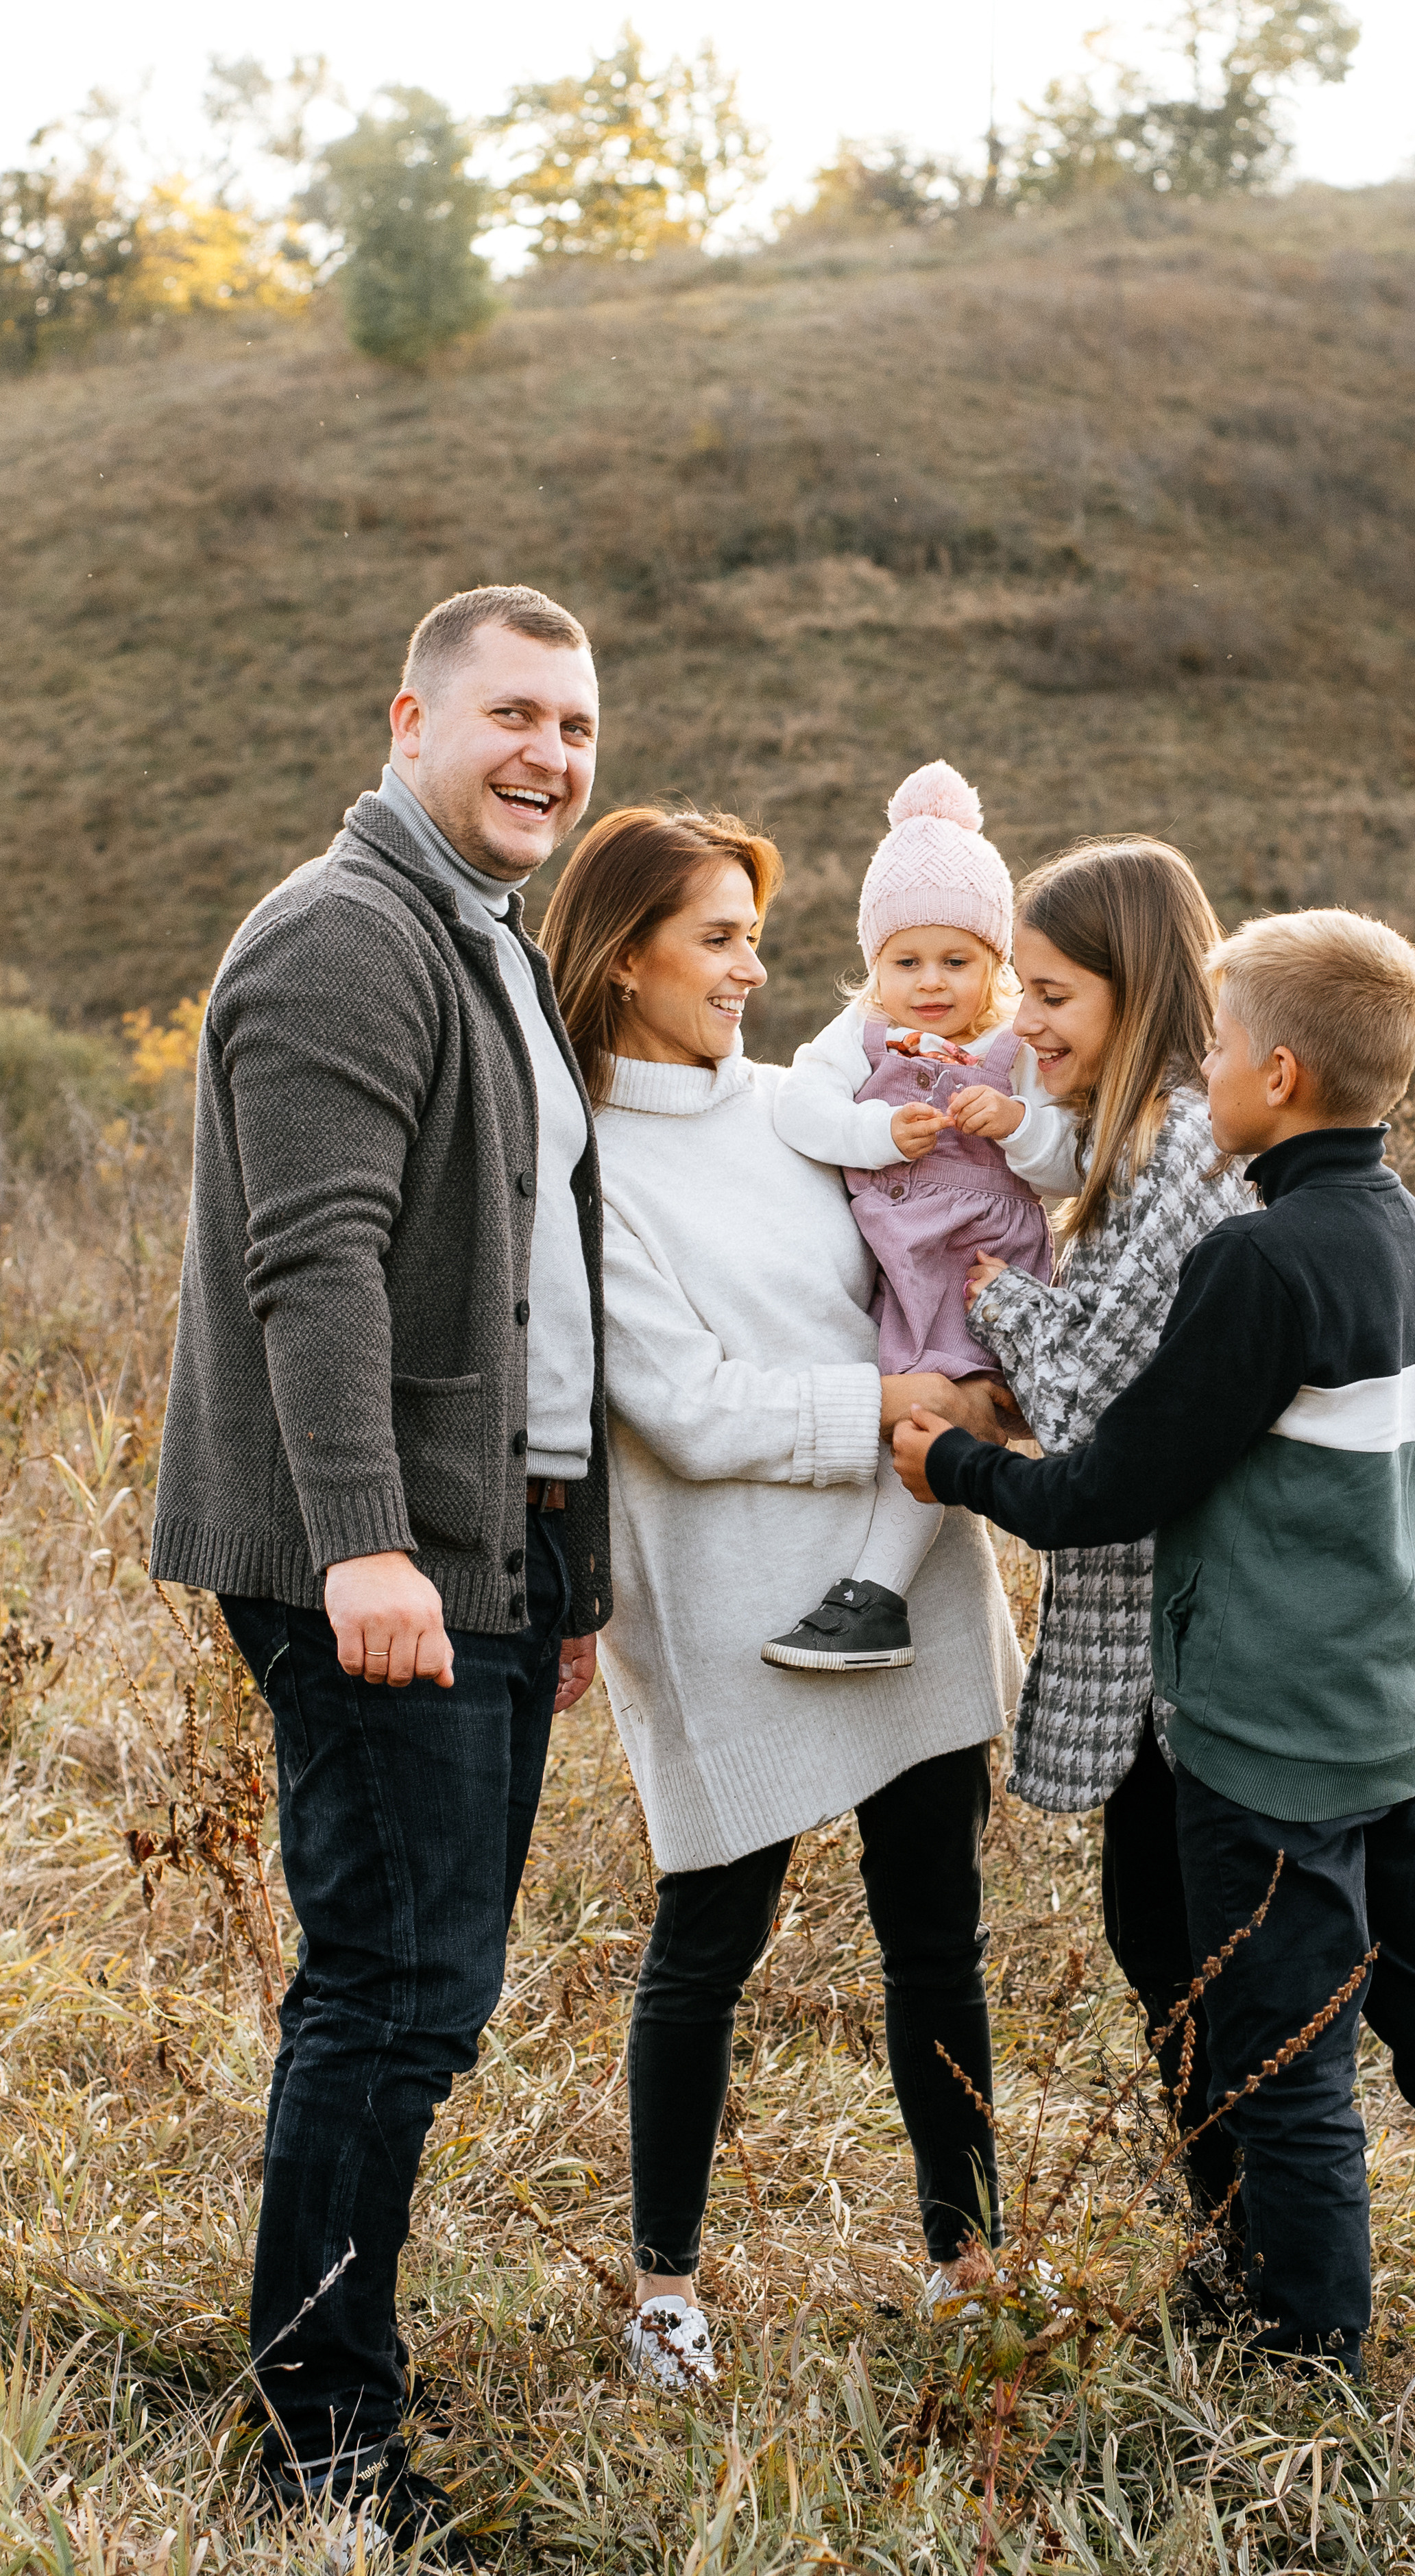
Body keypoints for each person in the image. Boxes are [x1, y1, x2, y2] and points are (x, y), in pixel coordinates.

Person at [895, 906, 1415, 2379]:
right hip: (1391, 1717)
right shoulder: (1411, 1238)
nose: (1204, 1070)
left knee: (1285, 2064)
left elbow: (1108, 1487)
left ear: (1283, 1074)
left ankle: (1303, 2361)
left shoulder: (1260, 1262)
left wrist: (958, 1468)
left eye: (1223, 1046)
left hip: (1268, 1739)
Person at [149, 586, 611, 2544]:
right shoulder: (346, 935)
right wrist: (369, 1546)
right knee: (391, 1987)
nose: (552, 757)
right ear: (412, 716)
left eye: (580, 729)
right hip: (384, 1559)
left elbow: (528, 1283)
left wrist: (557, 1573)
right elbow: (312, 1265)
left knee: (424, 1986)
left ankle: (329, 2375)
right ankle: (325, 2439)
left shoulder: (480, 937)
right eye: (514, 714)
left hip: (481, 1550)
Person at [535, 803, 1024, 2390]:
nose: (756, 968)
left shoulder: (801, 1107)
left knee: (933, 1937)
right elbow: (686, 1406)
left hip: (908, 1568)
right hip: (728, 1594)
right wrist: (899, 1419)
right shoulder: (582, 1160)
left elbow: (926, 1263)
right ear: (625, 959)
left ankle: (969, 2258)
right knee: (706, 1943)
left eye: (757, 932)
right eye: (720, 937)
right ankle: (664, 2285)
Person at [957, 840, 1255, 2236]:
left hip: (1193, 1627)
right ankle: (1233, 2231)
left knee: (1191, 1950)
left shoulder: (1189, 1150)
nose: (1025, 1019)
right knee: (1159, 1942)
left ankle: (1260, 2248)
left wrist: (997, 1302)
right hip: (1152, 1623)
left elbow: (1092, 1403)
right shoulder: (1133, 1148)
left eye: (1053, 990)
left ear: (1137, 990)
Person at [766, 760, 1078, 1673]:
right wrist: (874, 1130)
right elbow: (798, 1107)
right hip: (894, 1259)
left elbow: (1069, 1156)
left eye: (957, 960)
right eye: (906, 962)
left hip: (977, 1261)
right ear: (874, 963)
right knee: (888, 1409)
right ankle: (860, 1576)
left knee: (932, 1414)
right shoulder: (854, 1034)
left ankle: (878, 1593)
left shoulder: (1011, 1048)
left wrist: (1017, 1125)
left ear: (995, 964)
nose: (929, 983)